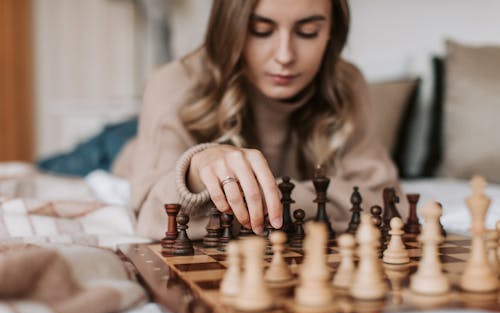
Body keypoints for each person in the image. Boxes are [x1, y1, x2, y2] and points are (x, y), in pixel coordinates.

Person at [113, 0, 406, 240]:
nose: (284, 56)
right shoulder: (173, 81)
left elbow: (387, 201)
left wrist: (252, 197)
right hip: (121, 150)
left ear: (332, 33)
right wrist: (198, 168)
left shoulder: (347, 83)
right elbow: (152, 216)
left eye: (308, 31)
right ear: (230, 29)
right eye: (261, 30)